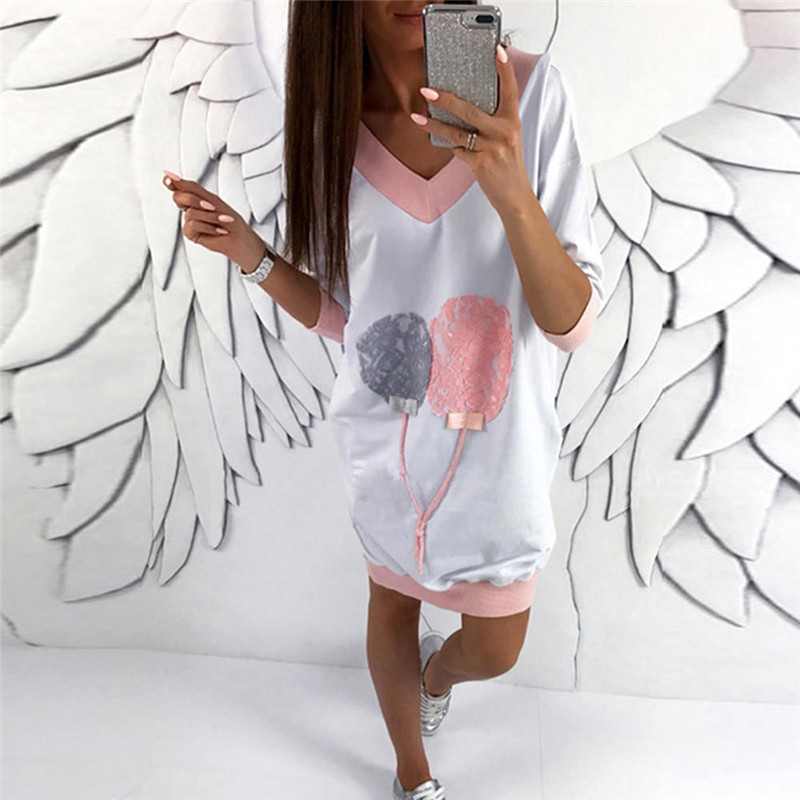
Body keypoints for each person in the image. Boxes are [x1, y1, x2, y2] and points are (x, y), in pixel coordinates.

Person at [162, 2, 604, 798]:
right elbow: (350, 318)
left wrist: (510, 188)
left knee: (496, 648)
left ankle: (437, 677)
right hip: (387, 439)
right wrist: (251, 254)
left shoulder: (533, 95)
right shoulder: (329, 127)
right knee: (392, 604)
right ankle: (413, 775)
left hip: (500, 456)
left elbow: (570, 325)